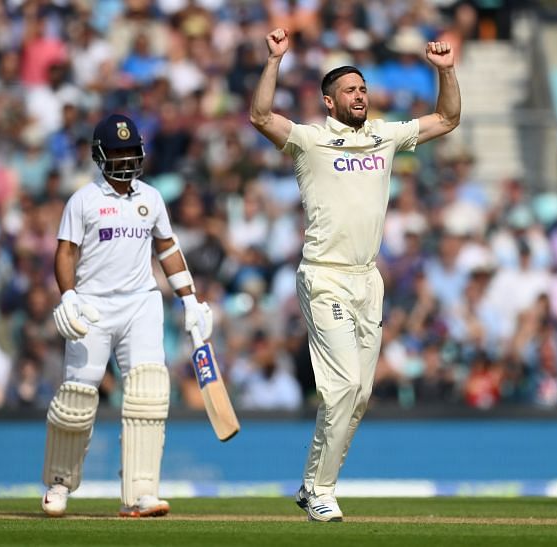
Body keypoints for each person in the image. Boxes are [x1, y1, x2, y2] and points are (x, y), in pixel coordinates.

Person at [249, 28, 460, 522]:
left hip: (369, 279)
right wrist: (274, 60)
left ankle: (310, 485)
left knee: (359, 393)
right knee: (342, 385)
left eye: (363, 88)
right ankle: (322, 490)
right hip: (324, 275)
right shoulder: (311, 140)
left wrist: (445, 70)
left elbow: (448, 118)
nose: (360, 95)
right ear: (329, 101)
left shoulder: (385, 135)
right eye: (350, 90)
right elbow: (260, 116)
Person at [40, 113, 213, 518]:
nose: (124, 158)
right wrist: (67, 297)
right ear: (100, 155)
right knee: (77, 398)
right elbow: (65, 251)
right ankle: (60, 483)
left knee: (149, 394)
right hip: (93, 305)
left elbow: (167, 249)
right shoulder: (83, 200)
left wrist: (189, 299)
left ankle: (140, 492)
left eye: (130, 150)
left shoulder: (150, 198)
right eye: (116, 151)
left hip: (141, 303)